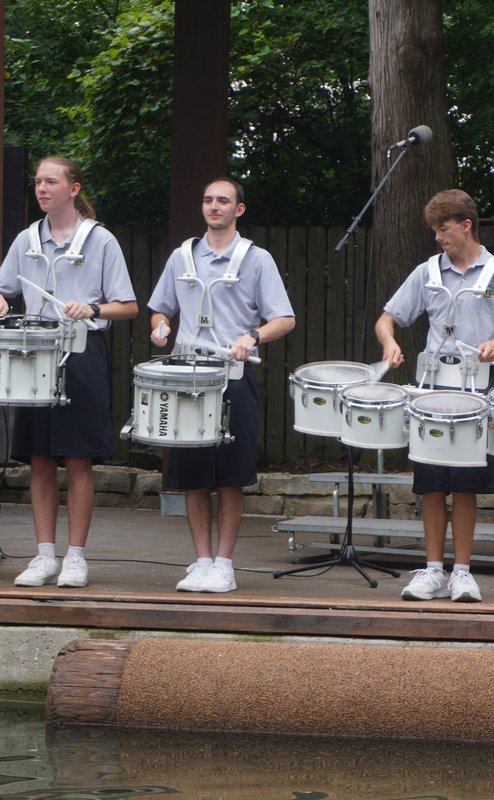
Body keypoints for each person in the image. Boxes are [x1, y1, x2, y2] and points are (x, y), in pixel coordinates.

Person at [0, 156, 138, 589]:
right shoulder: (25, 239)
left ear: (73, 188)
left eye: (51, 181)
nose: (41, 188)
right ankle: (44, 555)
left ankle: (76, 557)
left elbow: (127, 306)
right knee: (37, 459)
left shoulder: (100, 240)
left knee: (78, 458)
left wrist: (91, 307)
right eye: (37, 181)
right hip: (34, 355)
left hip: (81, 351)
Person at [376, 189, 494, 603]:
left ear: (466, 226)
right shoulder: (428, 272)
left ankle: (462, 572)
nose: (438, 238)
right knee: (429, 484)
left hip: (477, 390)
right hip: (431, 390)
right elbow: (387, 319)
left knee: (464, 484)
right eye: (434, 230)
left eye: (443, 229)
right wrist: (389, 343)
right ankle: (431, 570)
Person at [148, 177, 295, 593]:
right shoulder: (182, 257)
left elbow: (285, 318)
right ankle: (201, 560)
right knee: (193, 475)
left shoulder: (256, 259)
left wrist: (252, 338)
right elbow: (160, 309)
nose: (214, 206)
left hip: (233, 376)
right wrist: (160, 327)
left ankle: (225, 564)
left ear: (239, 210)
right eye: (208, 200)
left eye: (223, 201)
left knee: (230, 476)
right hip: (187, 376)